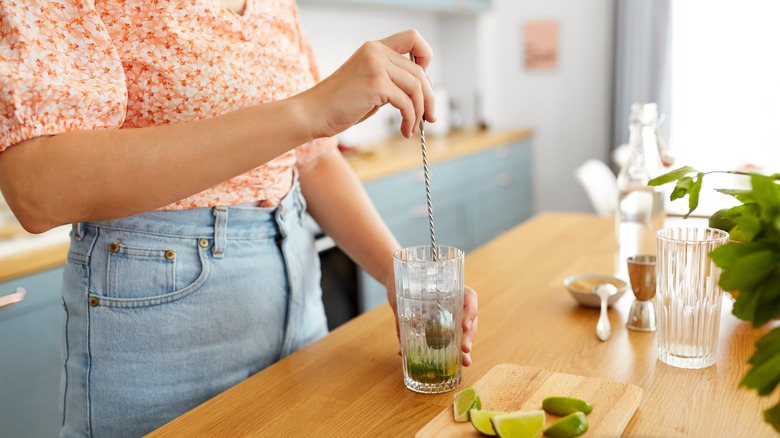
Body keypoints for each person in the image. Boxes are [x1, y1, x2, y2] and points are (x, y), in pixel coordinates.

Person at [0, 0, 479, 436]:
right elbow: (38, 188)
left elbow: (311, 157)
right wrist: (310, 108)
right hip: (160, 329)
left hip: (298, 299)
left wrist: (398, 274)